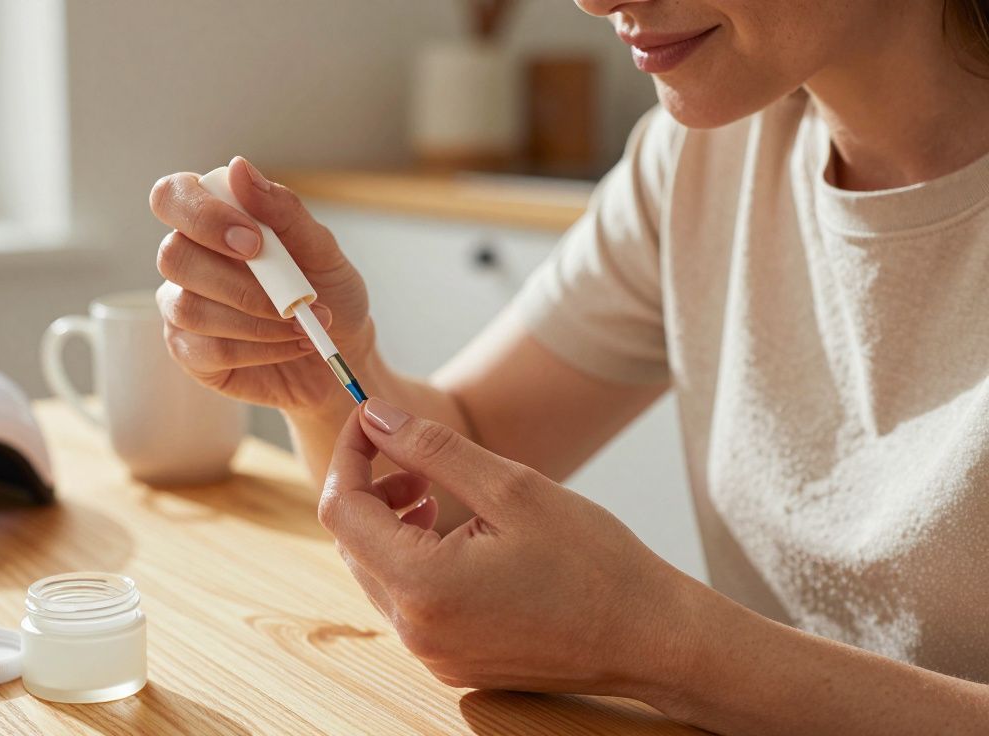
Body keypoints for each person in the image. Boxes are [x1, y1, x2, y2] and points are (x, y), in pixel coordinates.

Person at [148, 0, 989, 732]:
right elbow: (459, 470)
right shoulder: (698, 158)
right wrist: (328, 367)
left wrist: (658, 645)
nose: (593, 1)